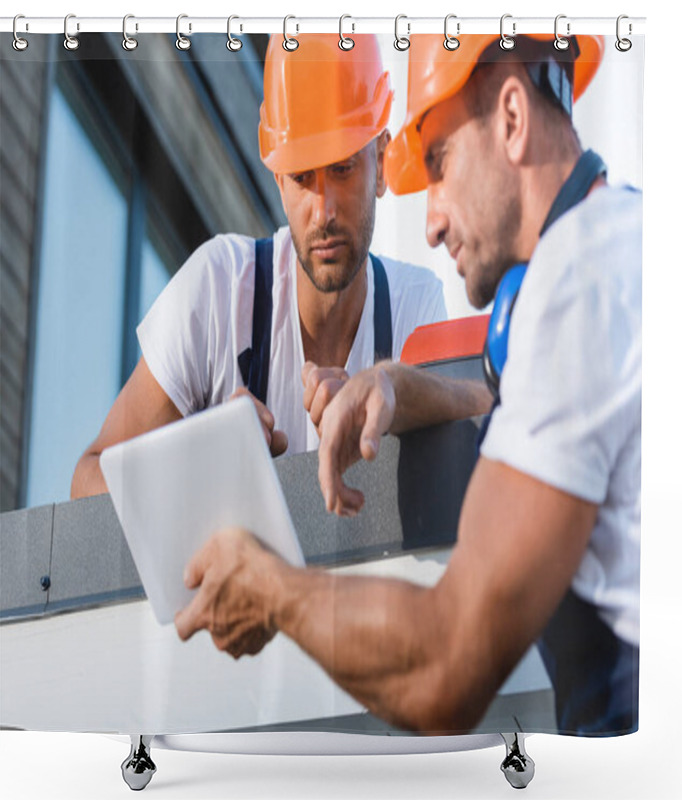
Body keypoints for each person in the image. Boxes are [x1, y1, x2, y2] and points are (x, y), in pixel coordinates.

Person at [175, 33, 641, 736]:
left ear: (512, 118)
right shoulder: (618, 244)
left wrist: (271, 590)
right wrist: (401, 384)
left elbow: (446, 668)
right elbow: (520, 413)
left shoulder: (573, 289)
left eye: (441, 164)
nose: (430, 223)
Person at [71, 34, 449, 498]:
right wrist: (193, 461)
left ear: (382, 161)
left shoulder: (416, 311)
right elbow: (86, 482)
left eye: (343, 168)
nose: (323, 209)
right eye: (301, 177)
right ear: (277, 180)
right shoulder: (218, 290)